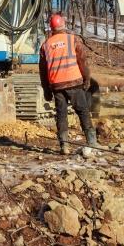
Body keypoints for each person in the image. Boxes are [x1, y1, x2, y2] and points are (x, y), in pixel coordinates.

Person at [40, 13, 98, 155]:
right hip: (74, 82)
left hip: (57, 85)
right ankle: (91, 142)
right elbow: (82, 61)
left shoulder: (45, 45)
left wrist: (46, 90)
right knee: (83, 111)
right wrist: (87, 78)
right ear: (64, 25)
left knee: (61, 114)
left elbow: (42, 70)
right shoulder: (73, 40)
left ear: (51, 28)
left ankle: (64, 146)